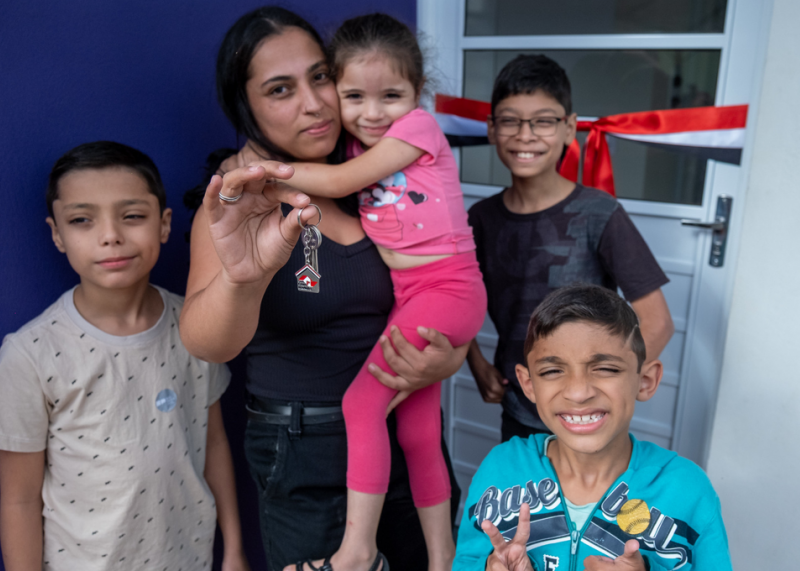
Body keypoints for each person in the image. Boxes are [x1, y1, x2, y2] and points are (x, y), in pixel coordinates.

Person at [178, 7, 468, 571]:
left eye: (320, 77)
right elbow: (207, 344)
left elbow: (437, 283)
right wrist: (243, 278)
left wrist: (447, 358)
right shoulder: (239, 202)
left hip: (403, 434)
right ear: (245, 107)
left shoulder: (372, 169)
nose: (314, 103)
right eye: (280, 89)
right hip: (305, 452)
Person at [0, 141, 247, 571]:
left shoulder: (197, 326)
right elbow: (19, 500)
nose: (111, 235)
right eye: (82, 220)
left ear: (164, 224)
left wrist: (235, 550)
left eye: (132, 216)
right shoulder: (33, 353)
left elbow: (215, 442)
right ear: (57, 234)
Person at [273, 13, 485, 571]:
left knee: (360, 405)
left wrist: (264, 171)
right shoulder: (354, 143)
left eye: (390, 95)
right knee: (417, 431)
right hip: (414, 294)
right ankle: (443, 559)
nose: (372, 113)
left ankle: (356, 552)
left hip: (446, 287)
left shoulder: (417, 129)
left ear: (418, 91)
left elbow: (341, 183)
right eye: (354, 97)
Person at [466, 55, 675, 443]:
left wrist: (601, 388)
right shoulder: (480, 219)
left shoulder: (600, 213)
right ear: (492, 129)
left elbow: (657, 321)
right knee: (523, 485)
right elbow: (454, 300)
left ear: (569, 128)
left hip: (589, 419)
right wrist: (475, 361)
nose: (525, 135)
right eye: (510, 121)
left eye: (543, 121)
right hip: (519, 412)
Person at [454, 284, 732, 571]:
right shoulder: (500, 469)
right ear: (529, 385)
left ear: (645, 381)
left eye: (606, 369)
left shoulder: (688, 490)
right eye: (552, 371)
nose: (578, 392)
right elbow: (465, 561)